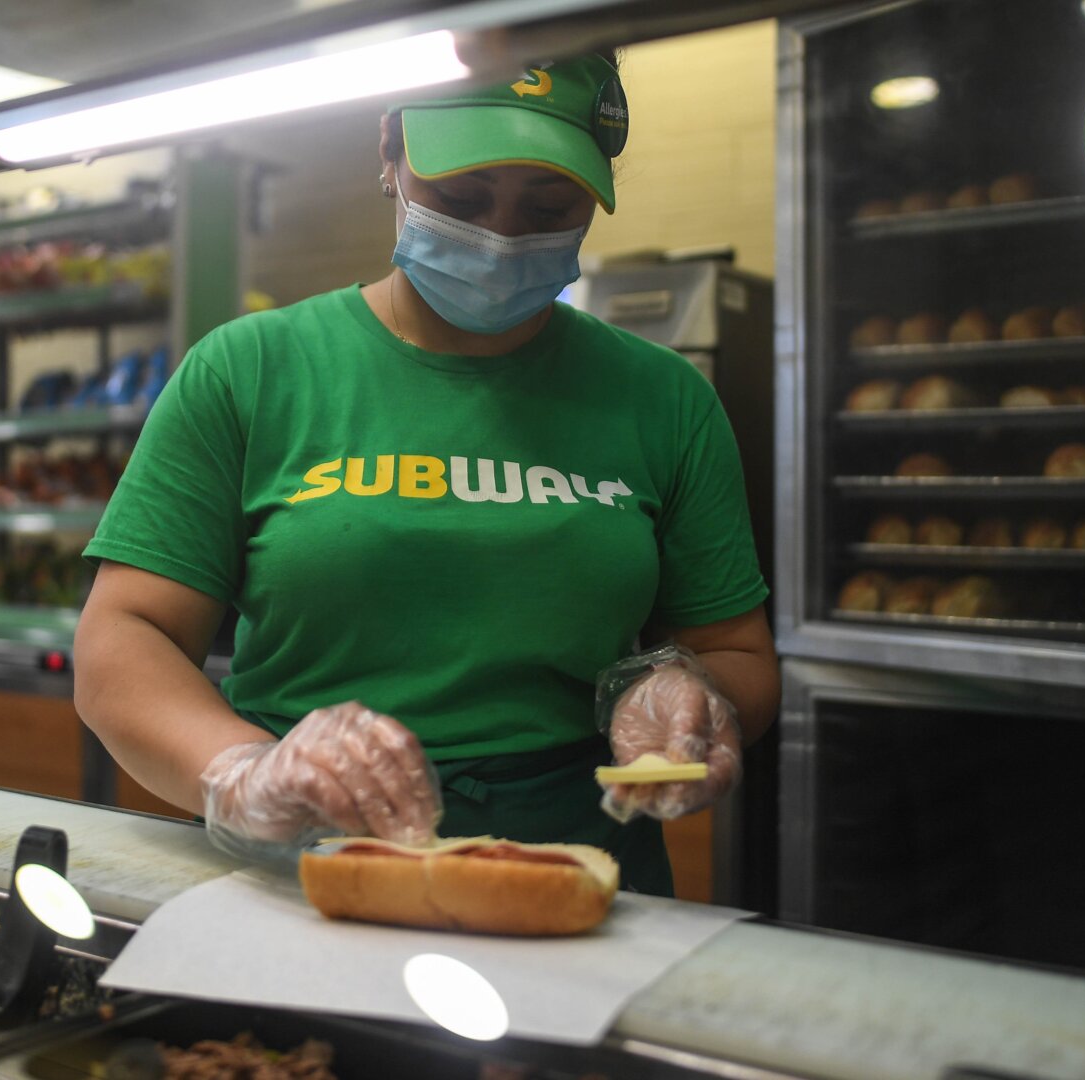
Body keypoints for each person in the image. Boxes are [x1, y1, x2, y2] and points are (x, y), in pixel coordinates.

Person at [73, 53, 778, 896]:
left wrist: (694, 698)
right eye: (464, 199)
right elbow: (124, 640)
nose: (502, 235)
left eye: (548, 207)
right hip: (302, 867)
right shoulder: (250, 369)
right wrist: (243, 773)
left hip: (573, 876)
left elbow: (736, 651)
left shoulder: (664, 397)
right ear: (390, 154)